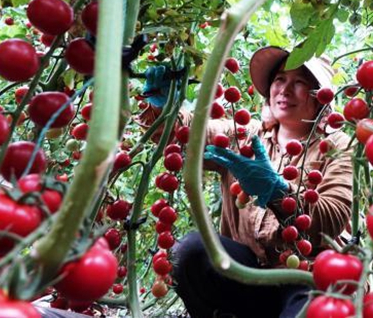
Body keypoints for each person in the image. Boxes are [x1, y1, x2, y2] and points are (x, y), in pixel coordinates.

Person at [142, 46, 354, 318]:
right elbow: (184, 135)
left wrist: (278, 191)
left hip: (306, 277)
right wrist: (165, 107)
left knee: (311, 311)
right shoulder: (244, 135)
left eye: (299, 82)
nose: (285, 89)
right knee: (191, 252)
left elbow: (333, 216)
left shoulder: (336, 146)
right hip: (247, 273)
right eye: (280, 79)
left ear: (319, 97)